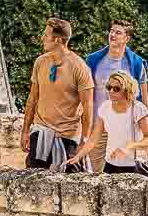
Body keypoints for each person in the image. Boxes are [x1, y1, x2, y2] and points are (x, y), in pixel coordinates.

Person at [21, 17, 94, 172]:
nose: (42, 38)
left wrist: (85, 140)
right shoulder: (40, 62)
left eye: (46, 35)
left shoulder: (80, 67)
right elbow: (32, 99)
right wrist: (26, 130)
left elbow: (88, 106)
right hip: (40, 134)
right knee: (35, 184)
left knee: (71, 186)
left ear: (57, 40)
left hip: (67, 138)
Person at [85, 70, 148, 176]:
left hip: (134, 166)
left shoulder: (137, 108)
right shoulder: (105, 107)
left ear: (127, 90)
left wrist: (128, 148)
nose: (111, 91)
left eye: (116, 89)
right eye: (109, 87)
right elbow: (93, 139)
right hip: (110, 165)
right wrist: (77, 157)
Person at [84, 20, 148, 128]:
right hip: (97, 127)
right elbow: (84, 94)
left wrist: (147, 128)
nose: (113, 35)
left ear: (127, 39)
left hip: (125, 128)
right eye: (111, 31)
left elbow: (144, 98)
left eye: (118, 32)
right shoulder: (93, 61)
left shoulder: (136, 64)